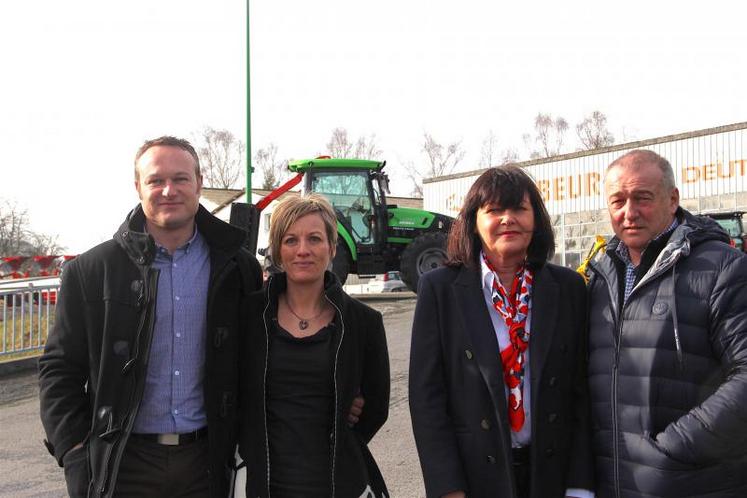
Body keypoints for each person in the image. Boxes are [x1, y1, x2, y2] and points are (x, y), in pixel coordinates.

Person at [38, 136, 263, 498]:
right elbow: (59, 369)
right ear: (138, 187)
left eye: (181, 178)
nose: (168, 190)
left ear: (199, 183)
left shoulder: (237, 268)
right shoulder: (91, 272)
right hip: (123, 466)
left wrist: (342, 386)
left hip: (207, 464)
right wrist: (75, 453)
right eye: (156, 180)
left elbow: (262, 356)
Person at [409, 165, 594, 498]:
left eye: (519, 209)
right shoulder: (440, 289)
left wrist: (580, 486)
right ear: (474, 221)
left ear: (535, 219)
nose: (508, 219)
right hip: (475, 477)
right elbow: (427, 399)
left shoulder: (568, 288)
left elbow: (581, 393)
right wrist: (447, 487)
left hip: (552, 473)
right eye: (494, 210)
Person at [586, 149, 747, 497]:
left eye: (642, 198)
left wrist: (675, 448)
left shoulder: (722, 269)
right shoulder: (600, 278)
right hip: (614, 483)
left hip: (692, 483)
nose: (629, 213)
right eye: (618, 201)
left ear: (672, 199)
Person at [238, 194, 390, 497]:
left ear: (332, 247)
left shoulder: (363, 322)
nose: (303, 250)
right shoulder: (248, 317)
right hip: (261, 483)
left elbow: (375, 409)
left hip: (336, 485)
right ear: (278, 250)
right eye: (291, 240)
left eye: (315, 239)